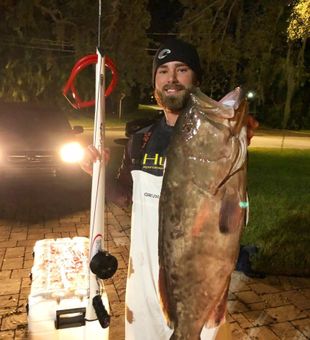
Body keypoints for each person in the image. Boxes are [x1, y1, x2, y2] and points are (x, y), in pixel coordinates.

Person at [81, 38, 258, 340]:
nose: (171, 78)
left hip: (199, 283)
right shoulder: (140, 138)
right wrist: (96, 171)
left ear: (196, 79)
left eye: (182, 69)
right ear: (155, 83)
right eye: (162, 71)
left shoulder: (219, 134)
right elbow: (125, 196)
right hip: (145, 284)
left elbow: (237, 212)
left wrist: (238, 137)